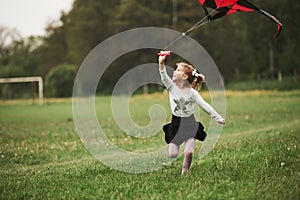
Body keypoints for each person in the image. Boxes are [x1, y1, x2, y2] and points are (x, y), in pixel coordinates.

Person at [158, 51, 225, 174]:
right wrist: (161, 63)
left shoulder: (193, 93)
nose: (174, 71)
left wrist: (218, 117)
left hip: (189, 124)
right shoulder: (171, 86)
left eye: (178, 70)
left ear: (184, 77)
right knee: (172, 154)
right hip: (176, 123)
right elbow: (163, 76)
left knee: (189, 152)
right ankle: (176, 153)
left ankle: (185, 171)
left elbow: (205, 105)